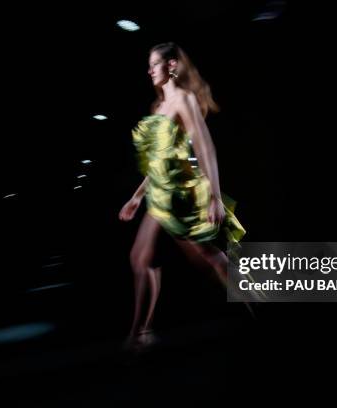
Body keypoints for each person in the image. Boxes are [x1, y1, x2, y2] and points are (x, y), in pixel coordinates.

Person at [119, 42, 247, 351]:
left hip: (177, 195)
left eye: (155, 64)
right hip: (158, 196)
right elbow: (158, 163)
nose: (149, 70)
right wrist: (136, 197)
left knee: (207, 257)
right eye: (149, 65)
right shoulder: (159, 107)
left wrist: (215, 197)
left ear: (172, 66)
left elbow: (204, 148)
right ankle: (140, 334)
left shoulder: (184, 100)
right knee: (141, 259)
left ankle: (252, 298)